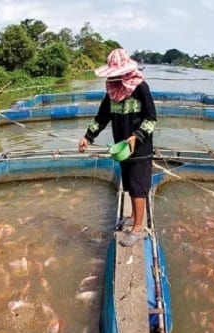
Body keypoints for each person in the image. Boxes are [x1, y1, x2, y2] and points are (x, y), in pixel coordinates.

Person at [78, 48, 157, 247]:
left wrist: (136, 137)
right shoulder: (112, 92)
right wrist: (88, 137)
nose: (115, 78)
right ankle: (132, 217)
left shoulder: (141, 88)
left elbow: (151, 118)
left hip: (140, 150)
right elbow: (101, 118)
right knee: (130, 185)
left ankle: (138, 229)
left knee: (139, 188)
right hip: (122, 149)